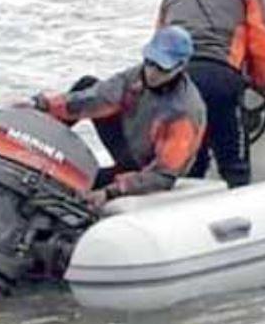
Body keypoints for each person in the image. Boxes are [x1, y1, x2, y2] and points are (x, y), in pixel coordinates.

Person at [155, 0, 265, 187]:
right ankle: (240, 205)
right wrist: (261, 83)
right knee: (233, 159)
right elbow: (263, 43)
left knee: (189, 162)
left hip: (176, 81)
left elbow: (159, 42)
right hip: (219, 75)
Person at [32, 25, 206, 209]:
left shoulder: (183, 113)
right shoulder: (137, 75)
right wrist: (44, 104)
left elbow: (163, 176)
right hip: (130, 143)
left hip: (145, 170)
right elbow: (98, 96)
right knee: (87, 84)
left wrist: (110, 192)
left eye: (161, 68)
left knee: (83, 185)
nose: (152, 72)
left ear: (180, 67)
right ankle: (36, 144)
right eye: (150, 62)